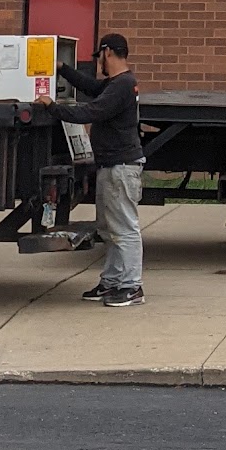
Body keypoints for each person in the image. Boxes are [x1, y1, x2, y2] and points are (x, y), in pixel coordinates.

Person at [55, 32, 145, 306]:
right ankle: (112, 282)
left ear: (107, 52)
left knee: (124, 229)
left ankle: (132, 286)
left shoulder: (122, 84)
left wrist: (52, 108)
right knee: (109, 229)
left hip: (121, 166)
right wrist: (63, 70)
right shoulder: (116, 84)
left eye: (100, 57)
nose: (99, 64)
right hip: (111, 165)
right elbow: (92, 88)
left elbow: (90, 111)